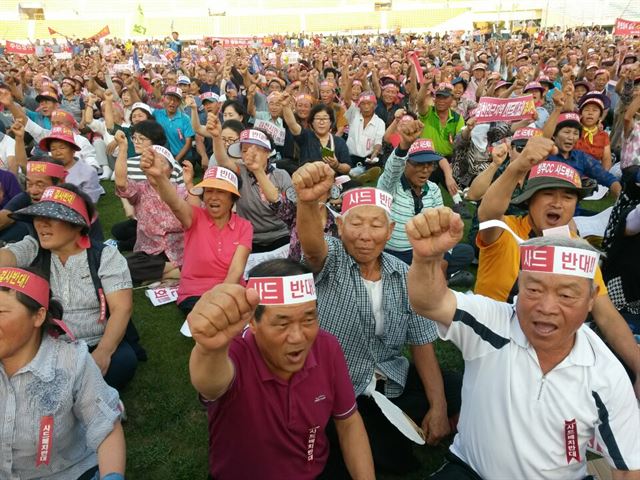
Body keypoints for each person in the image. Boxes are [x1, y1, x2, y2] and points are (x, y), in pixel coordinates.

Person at [405, 207, 640, 480]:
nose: (547, 307)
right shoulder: (491, 323)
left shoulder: (606, 374)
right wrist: (426, 259)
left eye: (566, 295)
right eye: (534, 289)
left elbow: (627, 468)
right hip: (472, 470)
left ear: (591, 299)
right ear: (519, 286)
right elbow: (428, 301)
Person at [294, 162, 461, 474]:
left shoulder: (405, 277)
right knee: (357, 447)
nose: (365, 236)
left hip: (390, 380)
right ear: (340, 226)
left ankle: (433, 424)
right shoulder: (331, 258)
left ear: (391, 230)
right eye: (356, 224)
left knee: (455, 387)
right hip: (338, 388)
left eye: (376, 225)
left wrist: (438, 408)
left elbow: (422, 347)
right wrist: (306, 202)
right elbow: (313, 249)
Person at [476, 136, 640, 396]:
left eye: (567, 196)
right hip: (495, 348)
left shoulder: (577, 249)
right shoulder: (505, 231)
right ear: (529, 201)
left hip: (551, 355)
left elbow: (606, 313)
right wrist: (517, 167)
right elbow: (487, 215)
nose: (557, 203)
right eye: (547, 194)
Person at [187, 259, 375, 480]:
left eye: (308, 319)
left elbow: (348, 422)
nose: (298, 337)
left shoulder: (327, 347)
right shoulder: (236, 352)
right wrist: (209, 350)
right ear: (253, 323)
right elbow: (210, 384)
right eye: (282, 323)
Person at [0, 184, 138, 390]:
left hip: (95, 340)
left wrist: (104, 352)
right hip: (46, 343)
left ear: (77, 225)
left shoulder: (104, 256)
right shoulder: (33, 247)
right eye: (38, 217)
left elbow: (121, 308)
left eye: (52, 217)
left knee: (122, 361)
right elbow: (6, 258)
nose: (42, 225)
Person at [0, 266, 126, 480]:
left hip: (68, 472)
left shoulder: (72, 363)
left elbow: (105, 427)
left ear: (38, 316)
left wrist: (112, 477)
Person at [141, 147, 252, 315]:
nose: (213, 197)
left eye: (221, 192)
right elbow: (175, 203)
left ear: (232, 198)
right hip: (195, 294)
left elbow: (236, 270)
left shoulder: (244, 226)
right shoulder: (194, 216)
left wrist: (221, 299)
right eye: (209, 191)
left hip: (230, 290)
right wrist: (159, 176)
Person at [377, 120, 474, 286]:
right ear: (405, 163)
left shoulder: (434, 189)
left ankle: (426, 277)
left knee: (466, 252)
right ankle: (429, 278)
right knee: (391, 264)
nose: (426, 169)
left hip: (426, 250)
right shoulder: (390, 185)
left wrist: (442, 261)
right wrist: (404, 145)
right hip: (396, 253)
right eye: (419, 164)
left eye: (430, 164)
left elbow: (442, 228)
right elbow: (392, 169)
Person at [207, 119, 292, 253]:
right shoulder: (240, 172)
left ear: (268, 152)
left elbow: (288, 208)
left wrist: (258, 170)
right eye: (245, 150)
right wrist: (217, 137)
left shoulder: (282, 176)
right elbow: (222, 159)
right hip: (249, 238)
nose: (250, 154)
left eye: (256, 149)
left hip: (281, 236)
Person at [114, 134, 186, 285]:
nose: (156, 167)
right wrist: (123, 149)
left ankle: (159, 274)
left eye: (161, 163)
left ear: (171, 171)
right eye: (152, 162)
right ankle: (177, 271)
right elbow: (121, 183)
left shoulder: (181, 191)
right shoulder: (140, 189)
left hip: (179, 250)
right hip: (150, 253)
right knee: (124, 265)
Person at [0, 157, 67, 242]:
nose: (33, 191)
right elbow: (5, 216)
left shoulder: (68, 206)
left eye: (40, 185)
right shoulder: (26, 196)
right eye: (29, 184)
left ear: (59, 183)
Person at [281, 97, 353, 174]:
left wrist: (337, 165)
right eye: (318, 118)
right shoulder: (306, 136)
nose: (321, 122)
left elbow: (347, 167)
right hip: (309, 180)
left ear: (331, 122)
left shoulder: (339, 142)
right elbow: (292, 124)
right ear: (312, 122)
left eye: (325, 119)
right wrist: (285, 106)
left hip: (333, 182)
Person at [37, 126, 104, 204]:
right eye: (53, 149)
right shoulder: (47, 171)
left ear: (73, 150)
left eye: (62, 148)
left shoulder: (88, 172)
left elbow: (90, 202)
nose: (58, 153)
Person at [152, 86, 194, 162]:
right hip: (162, 155)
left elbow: (188, 143)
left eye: (175, 100)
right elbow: (141, 111)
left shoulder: (185, 119)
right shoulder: (157, 113)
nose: (172, 102)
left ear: (180, 103)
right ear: (164, 99)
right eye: (169, 99)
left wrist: (176, 160)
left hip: (182, 157)